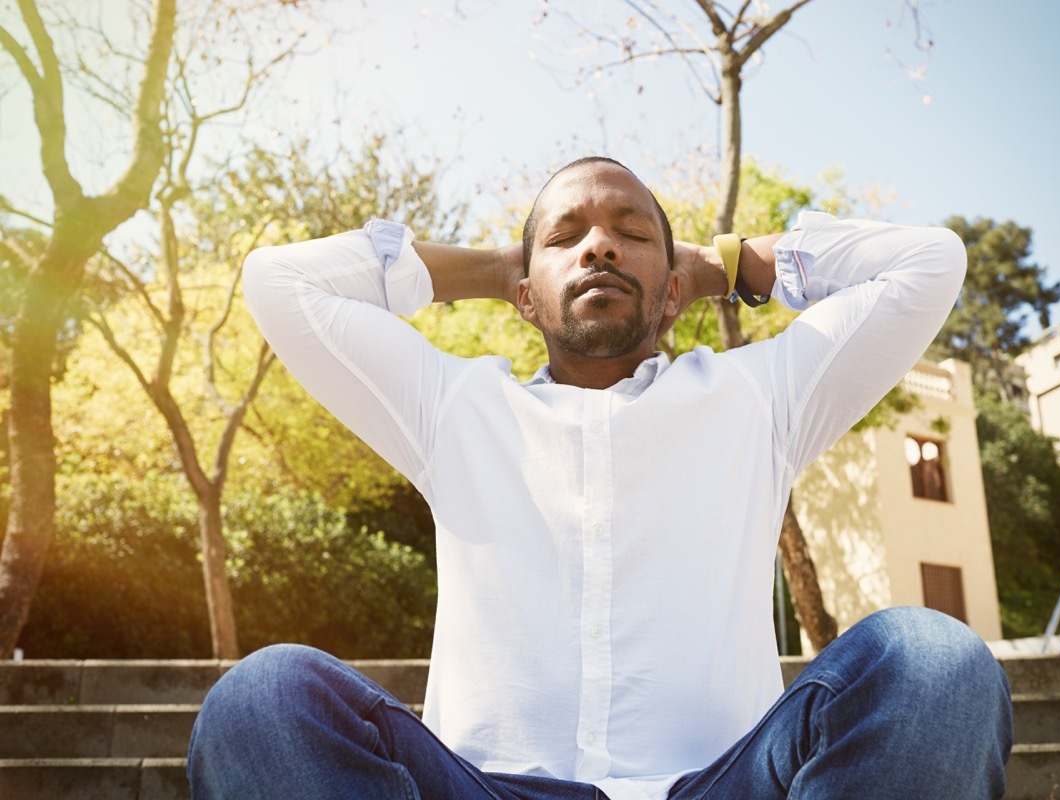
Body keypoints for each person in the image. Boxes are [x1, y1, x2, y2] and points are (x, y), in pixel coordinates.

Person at [188, 156, 1012, 800]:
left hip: (720, 787)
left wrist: (721, 265)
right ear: (524, 297)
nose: (599, 245)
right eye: (565, 236)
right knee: (262, 698)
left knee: (934, 660)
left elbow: (926, 262)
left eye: (631, 233)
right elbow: (280, 280)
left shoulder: (759, 397)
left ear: (673, 289)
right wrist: (497, 269)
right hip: (482, 791)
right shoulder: (451, 405)